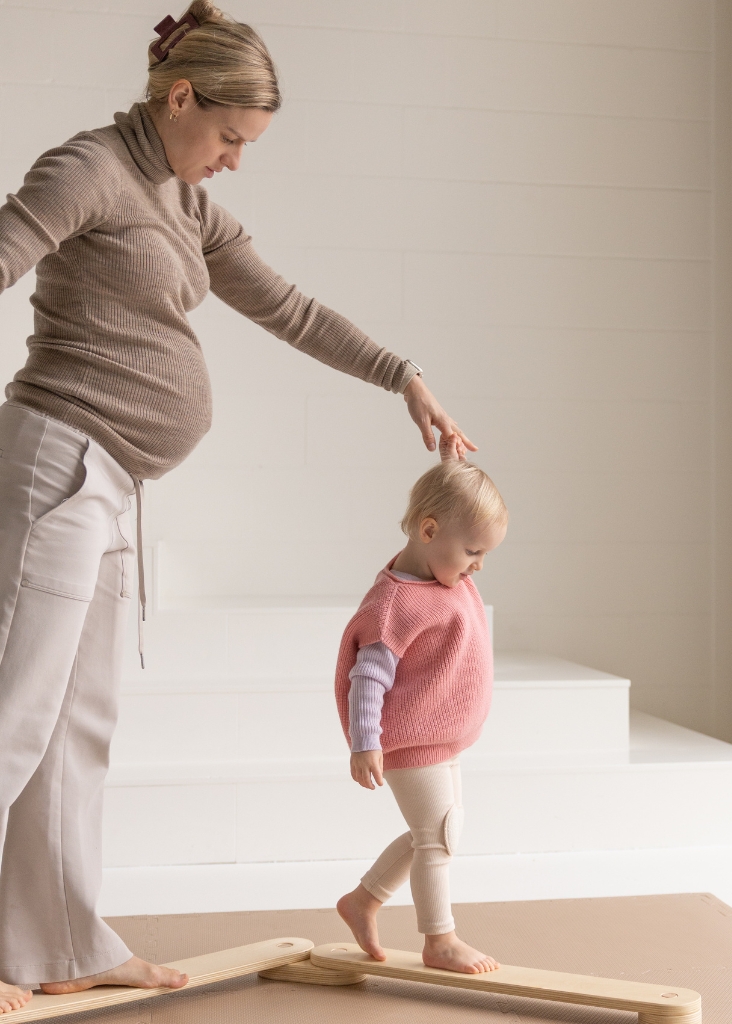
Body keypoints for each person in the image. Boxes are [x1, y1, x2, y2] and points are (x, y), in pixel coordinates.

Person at [0, 2, 474, 1013]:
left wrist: (402, 374)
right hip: (57, 465)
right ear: (180, 98)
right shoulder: (89, 168)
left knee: (78, 725)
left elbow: (287, 306)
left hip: (111, 482)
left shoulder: (181, 197)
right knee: (14, 715)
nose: (233, 161)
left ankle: (60, 943)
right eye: (228, 137)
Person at [334, 460, 507, 974]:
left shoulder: (442, 576)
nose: (478, 565)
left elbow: (451, 494)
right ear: (428, 530)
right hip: (409, 743)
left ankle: (363, 901)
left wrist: (454, 460)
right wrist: (365, 741)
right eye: (473, 551)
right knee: (440, 835)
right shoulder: (395, 604)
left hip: (443, 740)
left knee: (433, 833)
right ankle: (440, 940)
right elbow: (367, 679)